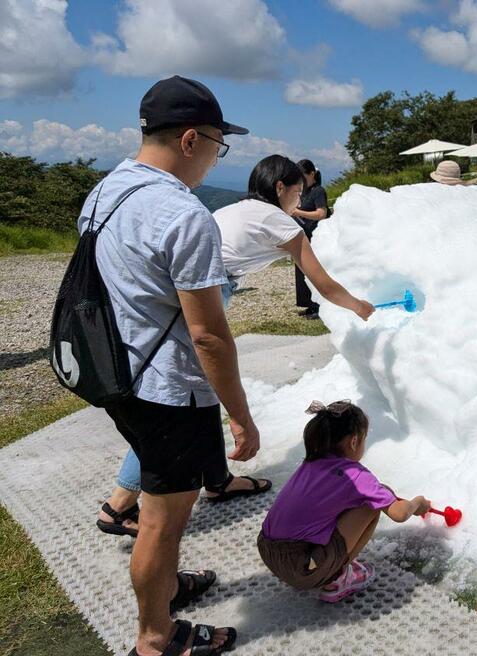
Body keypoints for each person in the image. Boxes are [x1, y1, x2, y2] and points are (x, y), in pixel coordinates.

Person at [96, 155, 375, 539]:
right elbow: (322, 283)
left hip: (182, 287)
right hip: (208, 287)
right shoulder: (278, 219)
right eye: (298, 190)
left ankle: (218, 478)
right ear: (280, 188)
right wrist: (361, 306)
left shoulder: (239, 209)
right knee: (182, 401)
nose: (301, 197)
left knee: (204, 390)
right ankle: (119, 505)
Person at [81, 74, 252, 656]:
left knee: (161, 505)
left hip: (114, 374)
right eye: (216, 144)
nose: (214, 156)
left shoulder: (106, 192)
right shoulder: (185, 215)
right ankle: (156, 636)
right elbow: (208, 335)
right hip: (167, 389)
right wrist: (241, 417)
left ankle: (169, 585)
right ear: (189, 139)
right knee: (161, 519)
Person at [257, 400, 431, 601]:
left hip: (269, 552)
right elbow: (400, 513)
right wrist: (418, 503)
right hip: (303, 567)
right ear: (354, 441)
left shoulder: (310, 463)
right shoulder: (356, 476)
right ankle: (337, 578)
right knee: (370, 505)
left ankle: (327, 565)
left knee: (363, 499)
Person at [292, 159, 328, 318]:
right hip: (301, 236)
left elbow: (321, 213)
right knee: (301, 272)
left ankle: (319, 307)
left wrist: (299, 213)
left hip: (315, 236)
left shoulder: (318, 191)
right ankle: (309, 304)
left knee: (314, 272)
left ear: (312, 174)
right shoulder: (302, 191)